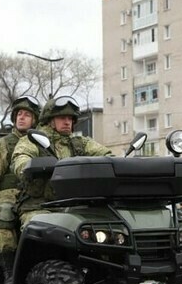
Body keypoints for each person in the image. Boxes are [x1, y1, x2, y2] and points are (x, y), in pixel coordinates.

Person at [12, 94, 112, 230]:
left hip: (75, 206)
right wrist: (31, 167)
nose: (67, 122)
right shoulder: (33, 140)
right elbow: (21, 159)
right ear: (50, 121)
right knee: (42, 230)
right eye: (62, 118)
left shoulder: (80, 143)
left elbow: (107, 156)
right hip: (39, 206)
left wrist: (116, 166)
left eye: (70, 118)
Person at [0, 95, 41, 284]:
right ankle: (9, 268)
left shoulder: (43, 142)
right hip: (10, 195)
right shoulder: (2, 145)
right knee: (5, 214)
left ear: (35, 120)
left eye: (27, 115)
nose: (22, 118)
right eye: (19, 114)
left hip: (38, 194)